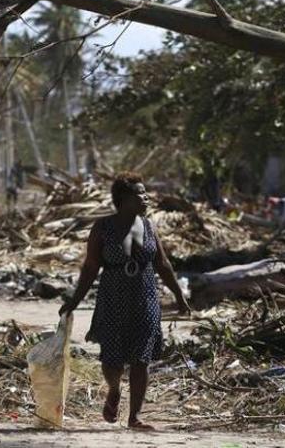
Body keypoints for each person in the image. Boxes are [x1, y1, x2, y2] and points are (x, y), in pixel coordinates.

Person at [59, 172, 191, 430]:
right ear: (124, 198)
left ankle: (135, 416)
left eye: (145, 193)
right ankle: (114, 389)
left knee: (141, 358)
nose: (146, 198)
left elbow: (162, 264)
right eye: (140, 194)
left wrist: (179, 296)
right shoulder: (103, 227)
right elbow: (90, 267)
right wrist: (74, 300)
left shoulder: (149, 226)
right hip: (112, 296)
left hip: (145, 297)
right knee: (112, 358)